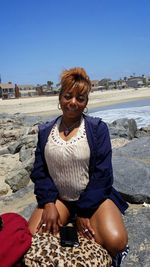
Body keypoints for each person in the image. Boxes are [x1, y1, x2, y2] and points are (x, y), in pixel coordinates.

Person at [28, 67, 128, 266]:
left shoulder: (97, 129)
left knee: (116, 242)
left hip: (94, 198)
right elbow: (40, 171)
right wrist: (48, 203)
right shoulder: (45, 131)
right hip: (60, 199)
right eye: (68, 96)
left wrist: (84, 212)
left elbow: (103, 174)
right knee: (33, 236)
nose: (73, 102)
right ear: (60, 97)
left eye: (80, 98)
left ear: (86, 103)